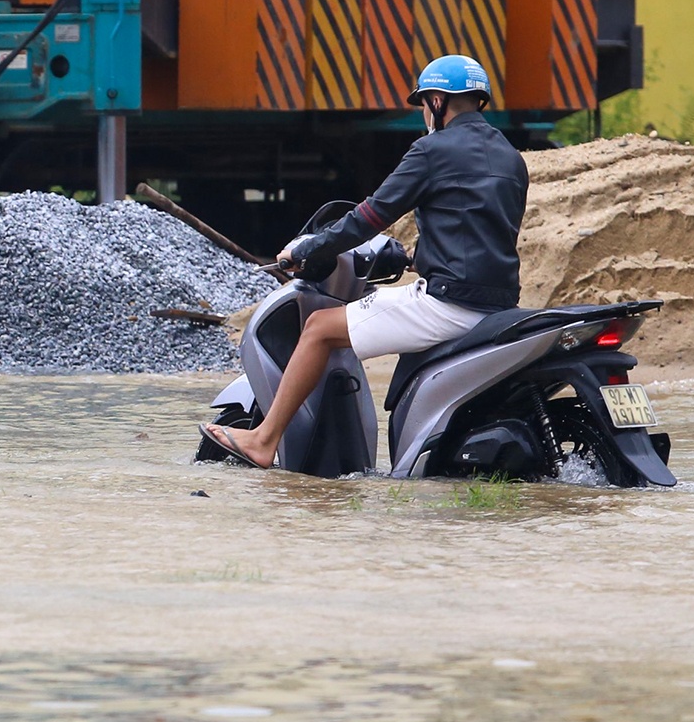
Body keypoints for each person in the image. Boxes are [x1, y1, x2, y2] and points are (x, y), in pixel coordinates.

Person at [200, 54, 528, 468]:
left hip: (449, 303)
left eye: (425, 103)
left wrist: (307, 249)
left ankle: (263, 440)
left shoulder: (431, 150)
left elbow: (368, 217)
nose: (425, 112)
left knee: (319, 328)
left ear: (438, 101)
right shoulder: (510, 158)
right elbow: (484, 230)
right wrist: (417, 257)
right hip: (498, 307)